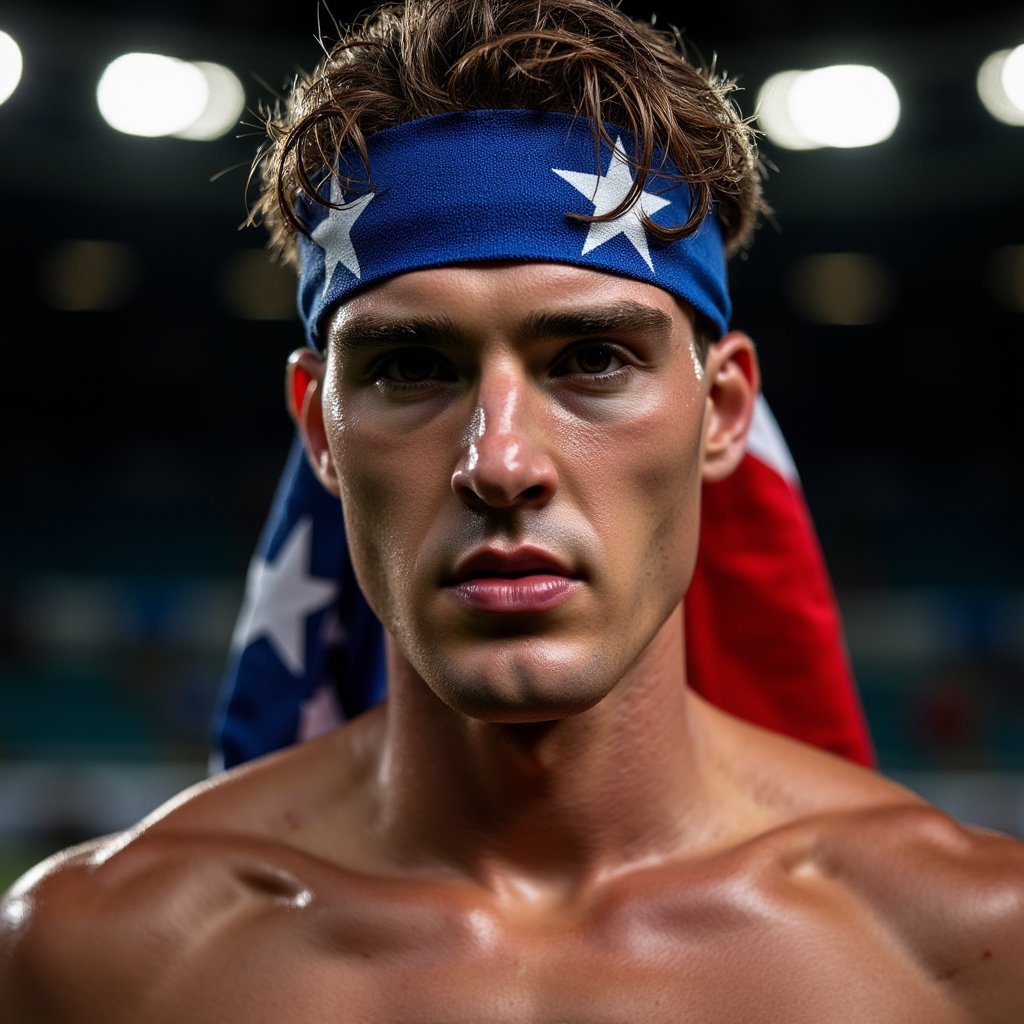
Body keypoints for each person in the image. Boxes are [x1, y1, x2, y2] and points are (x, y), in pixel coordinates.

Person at [3, 0, 1022, 1019]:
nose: (499, 463)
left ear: (720, 412)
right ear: (319, 428)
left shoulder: (967, 940)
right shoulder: (96, 955)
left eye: (590, 359)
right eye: (411, 368)